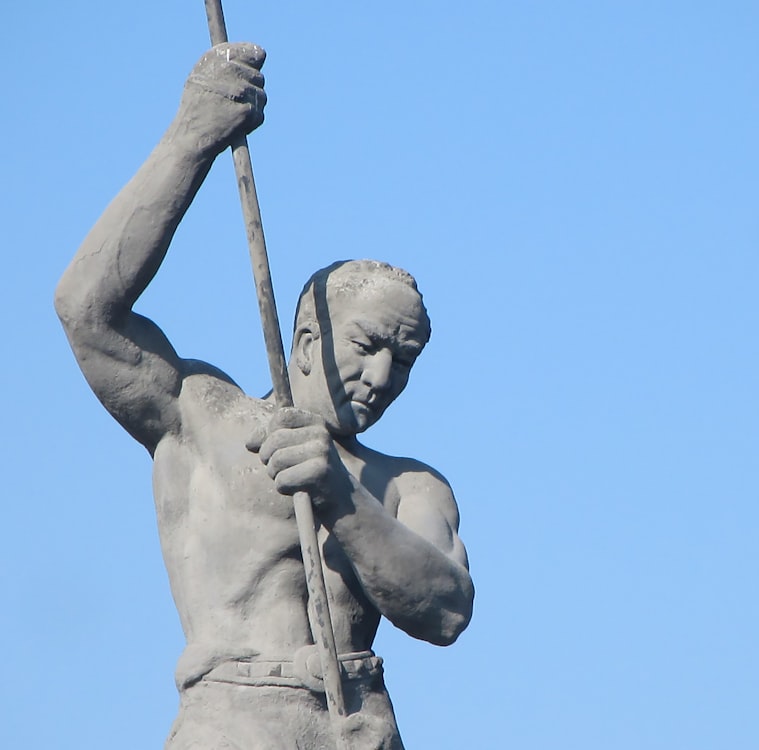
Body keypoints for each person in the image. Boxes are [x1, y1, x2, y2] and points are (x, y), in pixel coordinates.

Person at [54, 42, 473, 750]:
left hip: (357, 729)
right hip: (239, 723)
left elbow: (446, 610)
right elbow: (86, 311)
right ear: (307, 339)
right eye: (369, 347)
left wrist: (342, 495)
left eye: (404, 361)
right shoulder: (201, 414)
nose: (383, 377)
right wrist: (192, 139)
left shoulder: (408, 487)